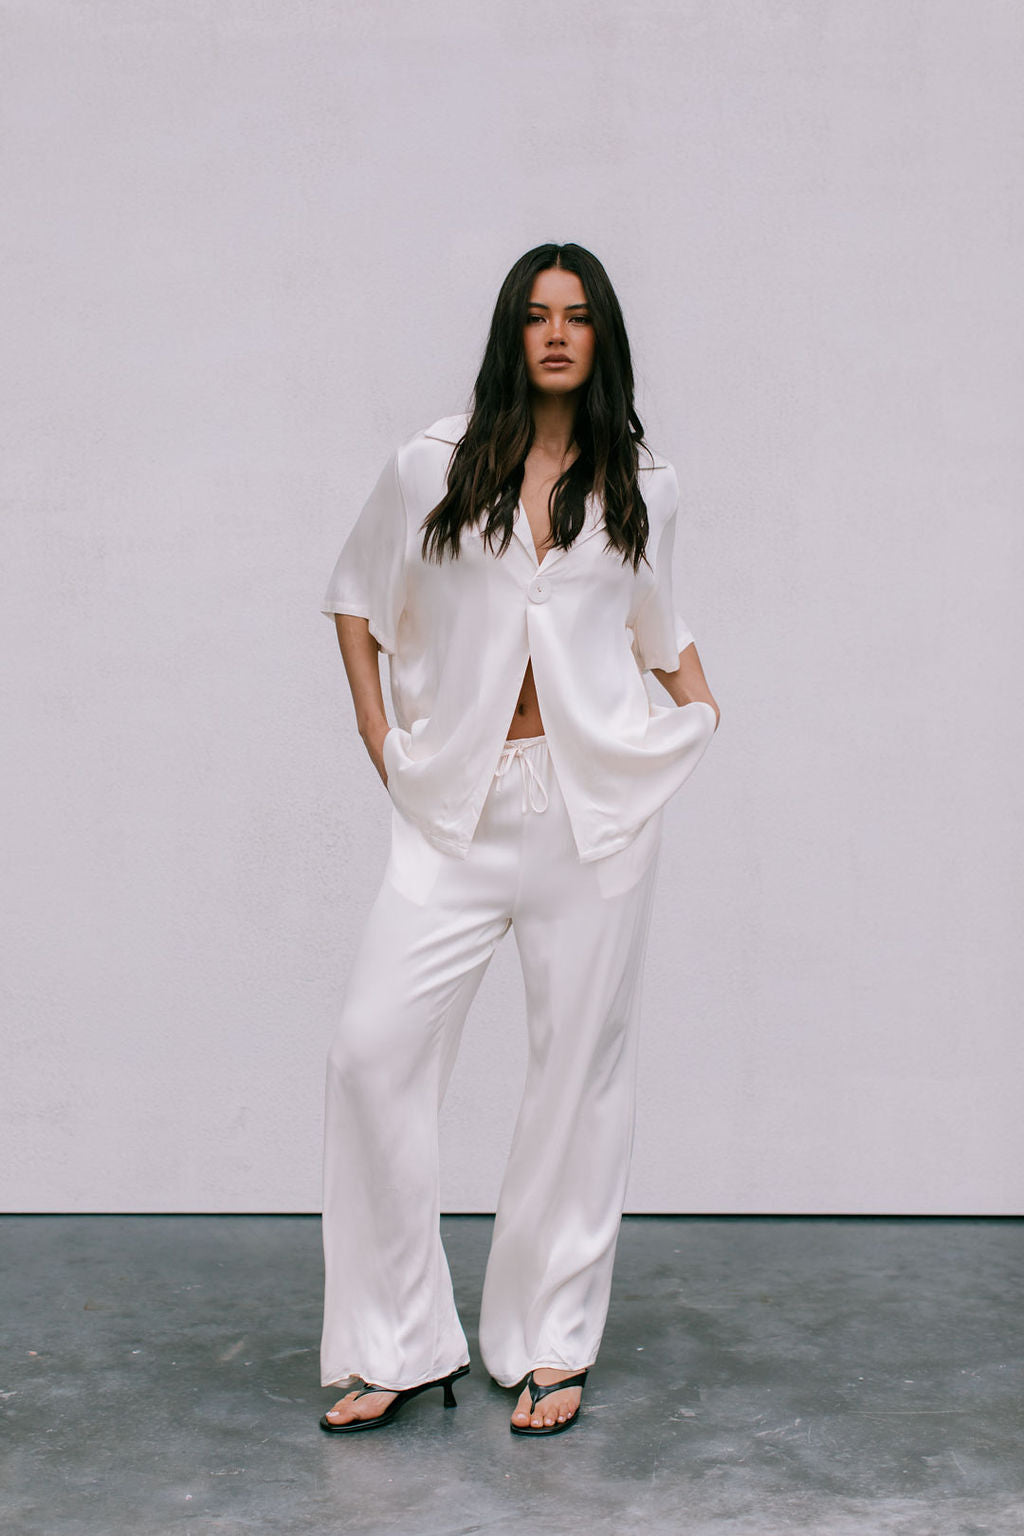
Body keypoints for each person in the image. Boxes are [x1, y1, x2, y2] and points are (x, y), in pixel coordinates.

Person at [317, 242, 720, 1438]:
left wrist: (701, 706)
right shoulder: (431, 465)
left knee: (576, 1082)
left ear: (601, 339)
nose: (556, 334)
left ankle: (550, 1342)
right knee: (370, 1051)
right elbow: (354, 594)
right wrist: (382, 737)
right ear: (512, 330)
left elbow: (656, 621)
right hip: (458, 807)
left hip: (592, 817)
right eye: (538, 315)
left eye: (578, 317)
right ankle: (398, 1342)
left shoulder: (641, 481)